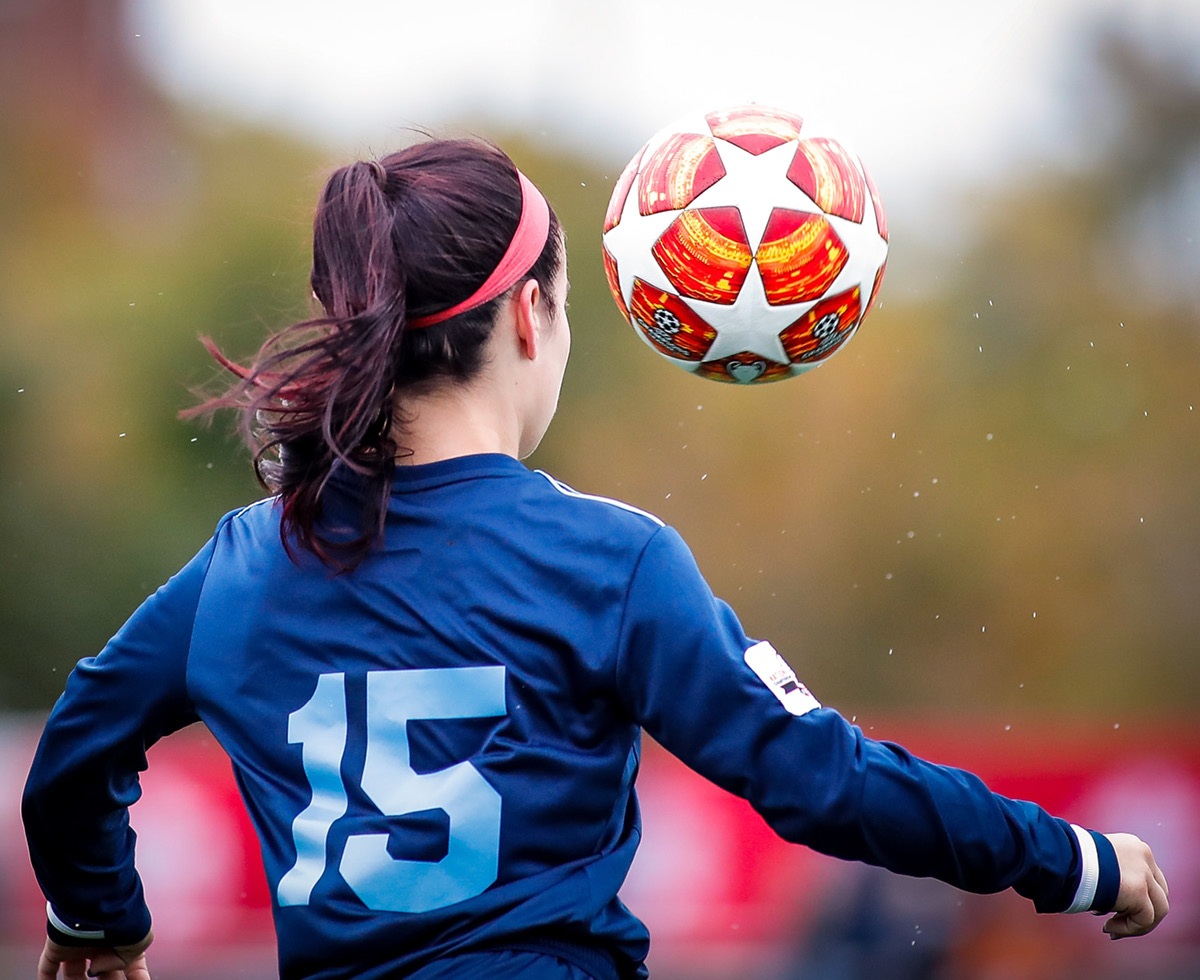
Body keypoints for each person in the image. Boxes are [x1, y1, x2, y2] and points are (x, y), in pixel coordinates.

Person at [22, 138, 1168, 980]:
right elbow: (822, 778)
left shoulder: (245, 562)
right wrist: (1068, 857)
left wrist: (98, 916)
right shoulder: (606, 561)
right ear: (531, 315)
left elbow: (73, 752)